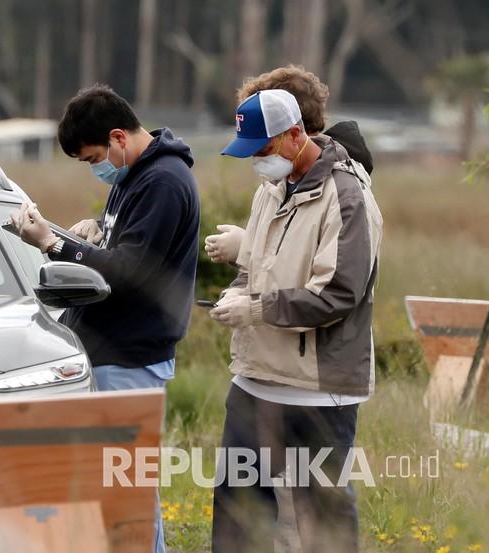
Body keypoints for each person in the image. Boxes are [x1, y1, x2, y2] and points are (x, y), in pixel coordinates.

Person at [12, 84, 200, 553]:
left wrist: (54, 246)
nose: (94, 168)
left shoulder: (163, 182)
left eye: (92, 157)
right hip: (111, 352)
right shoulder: (134, 178)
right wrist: (93, 232)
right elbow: (124, 247)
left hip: (131, 356)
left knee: (127, 488)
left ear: (118, 138)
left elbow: (131, 272)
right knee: (113, 485)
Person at [210, 89, 383, 553]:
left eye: (263, 150)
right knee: (237, 512)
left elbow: (338, 294)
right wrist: (238, 291)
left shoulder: (347, 198)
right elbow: (255, 265)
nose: (257, 162)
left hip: (319, 389)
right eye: (249, 153)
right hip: (254, 379)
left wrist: (258, 309)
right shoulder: (268, 190)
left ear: (294, 135)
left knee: (322, 519)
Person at [204, 65, 373, 265]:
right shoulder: (278, 184)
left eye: (264, 144)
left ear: (294, 130)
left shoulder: (344, 191)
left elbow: (317, 276)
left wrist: (247, 249)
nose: (258, 158)